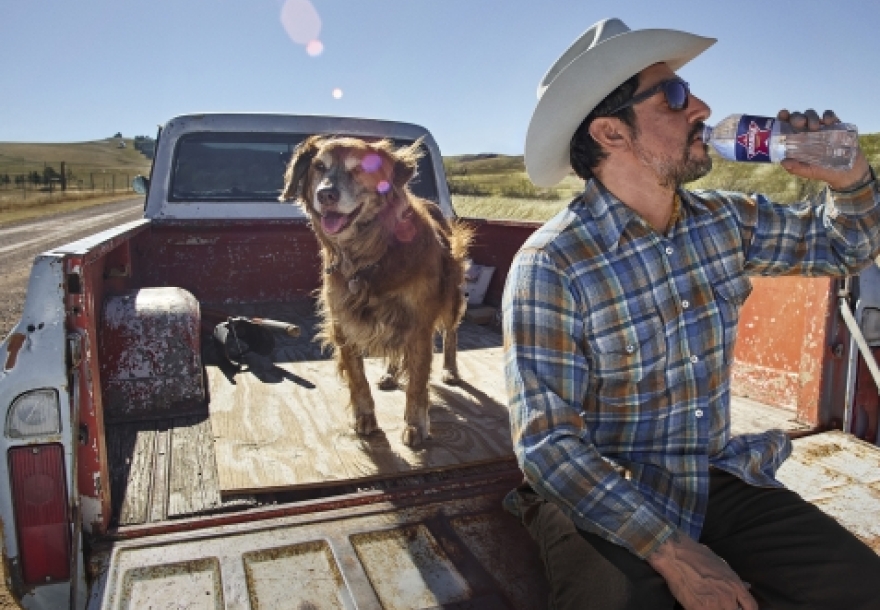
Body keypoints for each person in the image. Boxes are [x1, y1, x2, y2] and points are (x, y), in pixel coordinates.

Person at [502, 17, 880, 610]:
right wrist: (671, 551)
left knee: (864, 589)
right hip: (598, 489)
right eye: (672, 96)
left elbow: (847, 248)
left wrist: (850, 178)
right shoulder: (552, 264)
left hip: (713, 475)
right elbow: (549, 444)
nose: (701, 105)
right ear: (610, 131)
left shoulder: (724, 222)